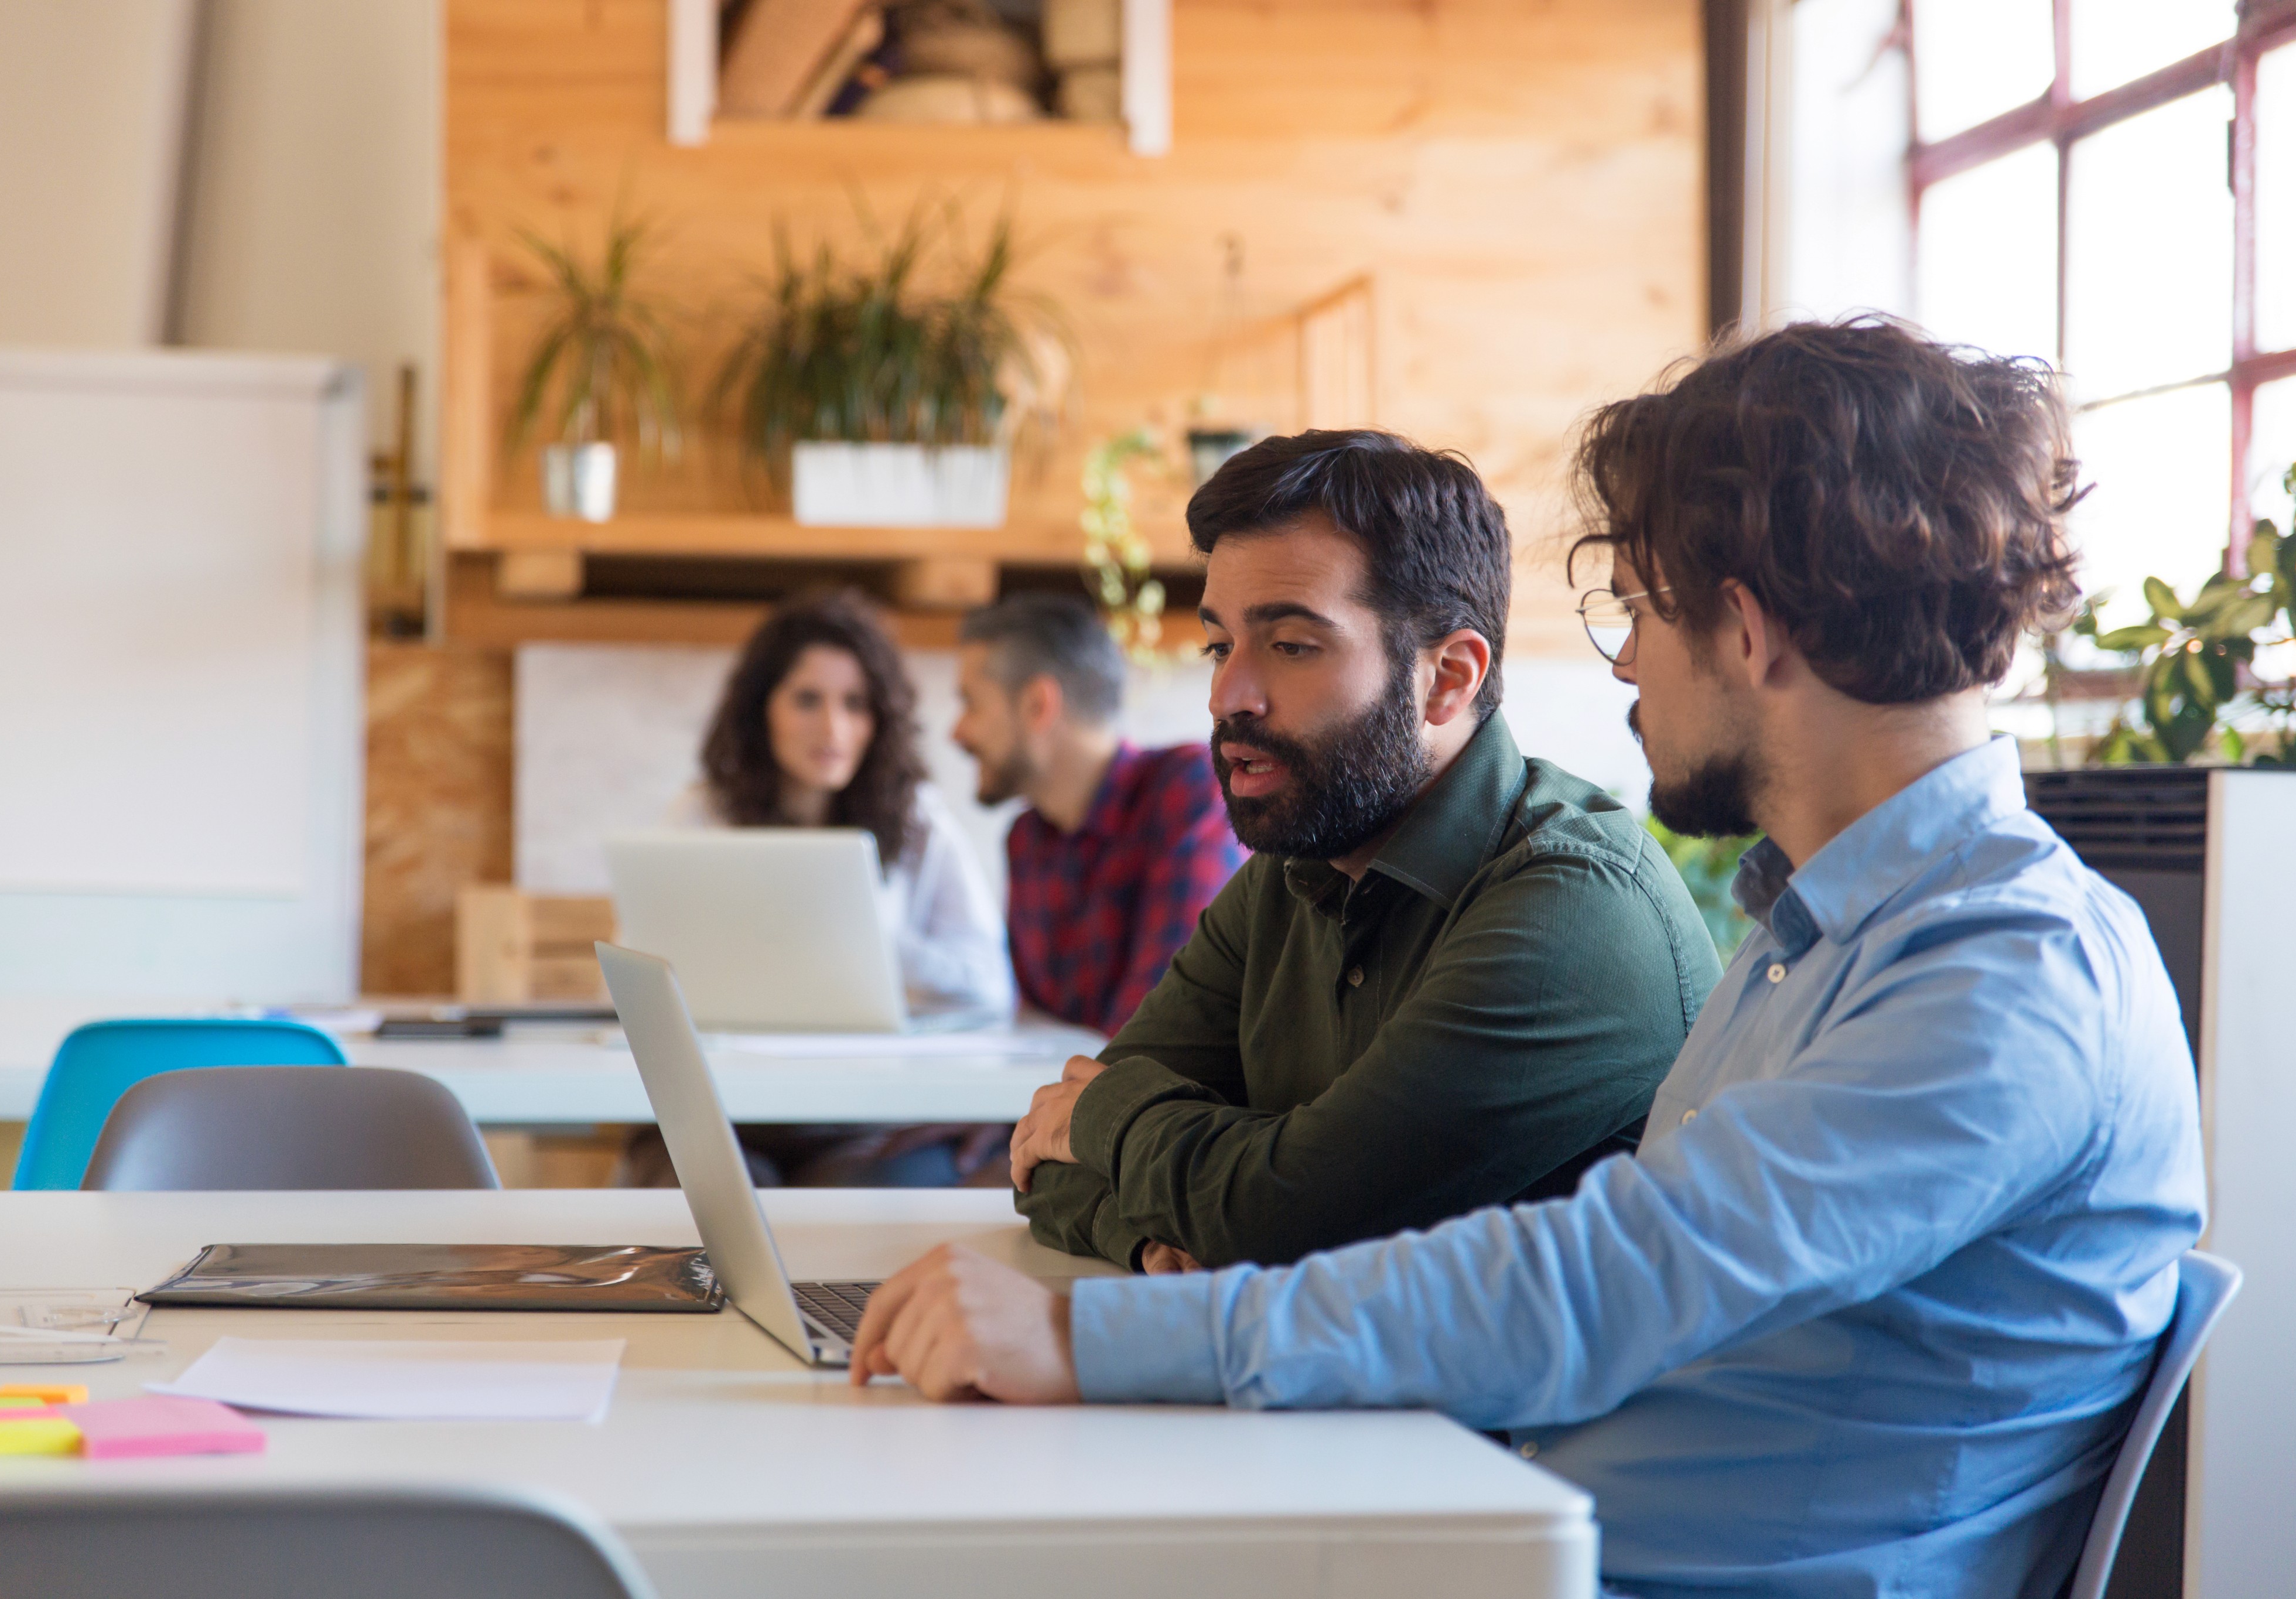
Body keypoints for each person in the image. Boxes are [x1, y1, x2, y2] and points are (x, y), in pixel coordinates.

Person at [845, 320, 2208, 1599]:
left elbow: (1610, 1275)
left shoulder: (2009, 979)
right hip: (1507, 1517)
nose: (1623, 674)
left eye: (1634, 613)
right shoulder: (1822, 935)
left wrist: (1093, 1338)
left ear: (1747, 628)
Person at [1005, 431, 1720, 1273]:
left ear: (1448, 678)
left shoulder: (1578, 905)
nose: (1226, 695)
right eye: (1218, 644)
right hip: (1328, 1396)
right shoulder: (1293, 869)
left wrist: (1110, 1123)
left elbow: (1296, 1217)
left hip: (1509, 1410)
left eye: (1292, 646)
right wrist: (1151, 1232)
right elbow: (1043, 1160)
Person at [629, 588, 1012, 1187]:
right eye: (807, 700)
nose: (833, 727)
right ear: (763, 709)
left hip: (864, 1121)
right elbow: (646, 970)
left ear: (880, 718)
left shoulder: (918, 822)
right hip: (724, 1109)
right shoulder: (703, 816)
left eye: (855, 703)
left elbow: (990, 985)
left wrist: (874, 941)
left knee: (870, 1189)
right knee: (699, 1186)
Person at [951, 593, 1245, 1035]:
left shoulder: (1188, 792)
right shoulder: (1027, 839)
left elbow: (1161, 1030)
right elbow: (1038, 1031)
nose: (958, 732)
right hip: (1082, 1097)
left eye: (971, 704)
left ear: (1038, 705)